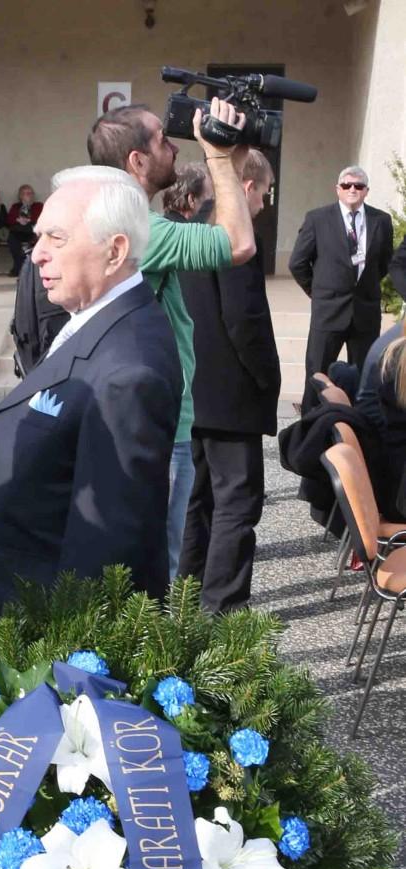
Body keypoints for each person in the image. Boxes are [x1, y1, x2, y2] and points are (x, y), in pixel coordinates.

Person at [0, 168, 182, 619]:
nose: (37, 254)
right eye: (39, 236)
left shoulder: (128, 371)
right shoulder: (91, 319)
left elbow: (108, 554)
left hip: (37, 632)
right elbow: (66, 447)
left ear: (115, 251)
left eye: (56, 238)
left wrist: (69, 660)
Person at [87, 102, 256, 578]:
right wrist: (217, 157)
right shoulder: (142, 230)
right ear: (137, 160)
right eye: (163, 140)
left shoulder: (111, 219)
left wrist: (233, 162)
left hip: (136, 413)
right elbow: (237, 244)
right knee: (160, 567)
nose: (176, 148)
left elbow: (218, 235)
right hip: (160, 425)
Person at [177, 150, 281, 613]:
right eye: (264, 193)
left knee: (196, 500)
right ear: (247, 187)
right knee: (237, 503)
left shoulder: (192, 226)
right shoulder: (234, 233)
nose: (263, 204)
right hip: (231, 395)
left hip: (193, 388)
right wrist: (266, 378)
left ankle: (184, 598)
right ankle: (222, 611)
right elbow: (245, 319)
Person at [289, 166, 394, 413]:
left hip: (365, 312)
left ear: (366, 191)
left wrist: (364, 287)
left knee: (365, 379)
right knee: (317, 375)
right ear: (338, 189)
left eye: (358, 186)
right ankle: (311, 427)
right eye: (347, 185)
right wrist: (317, 291)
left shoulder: (381, 221)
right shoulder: (318, 219)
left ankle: (360, 428)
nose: (352, 190)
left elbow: (384, 263)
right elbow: (297, 262)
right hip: (329, 311)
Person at [6, 183, 43, 277]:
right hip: (18, 232)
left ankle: (31, 269)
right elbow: (9, 219)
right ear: (21, 196)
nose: (29, 195)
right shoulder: (16, 206)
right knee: (12, 239)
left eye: (30, 193)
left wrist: (29, 220)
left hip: (32, 231)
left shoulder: (38, 206)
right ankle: (18, 267)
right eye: (26, 193)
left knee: (38, 239)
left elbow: (42, 217)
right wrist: (18, 219)